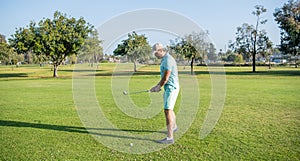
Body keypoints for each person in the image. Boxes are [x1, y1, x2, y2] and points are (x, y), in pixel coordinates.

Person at [150, 43, 180, 144]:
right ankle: (174, 127)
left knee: (167, 110)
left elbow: (166, 77)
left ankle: (169, 138)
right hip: (169, 88)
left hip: (171, 88)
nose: (155, 55)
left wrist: (158, 87)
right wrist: (158, 86)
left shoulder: (167, 60)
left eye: (156, 52)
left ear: (161, 50)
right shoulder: (165, 59)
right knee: (169, 109)